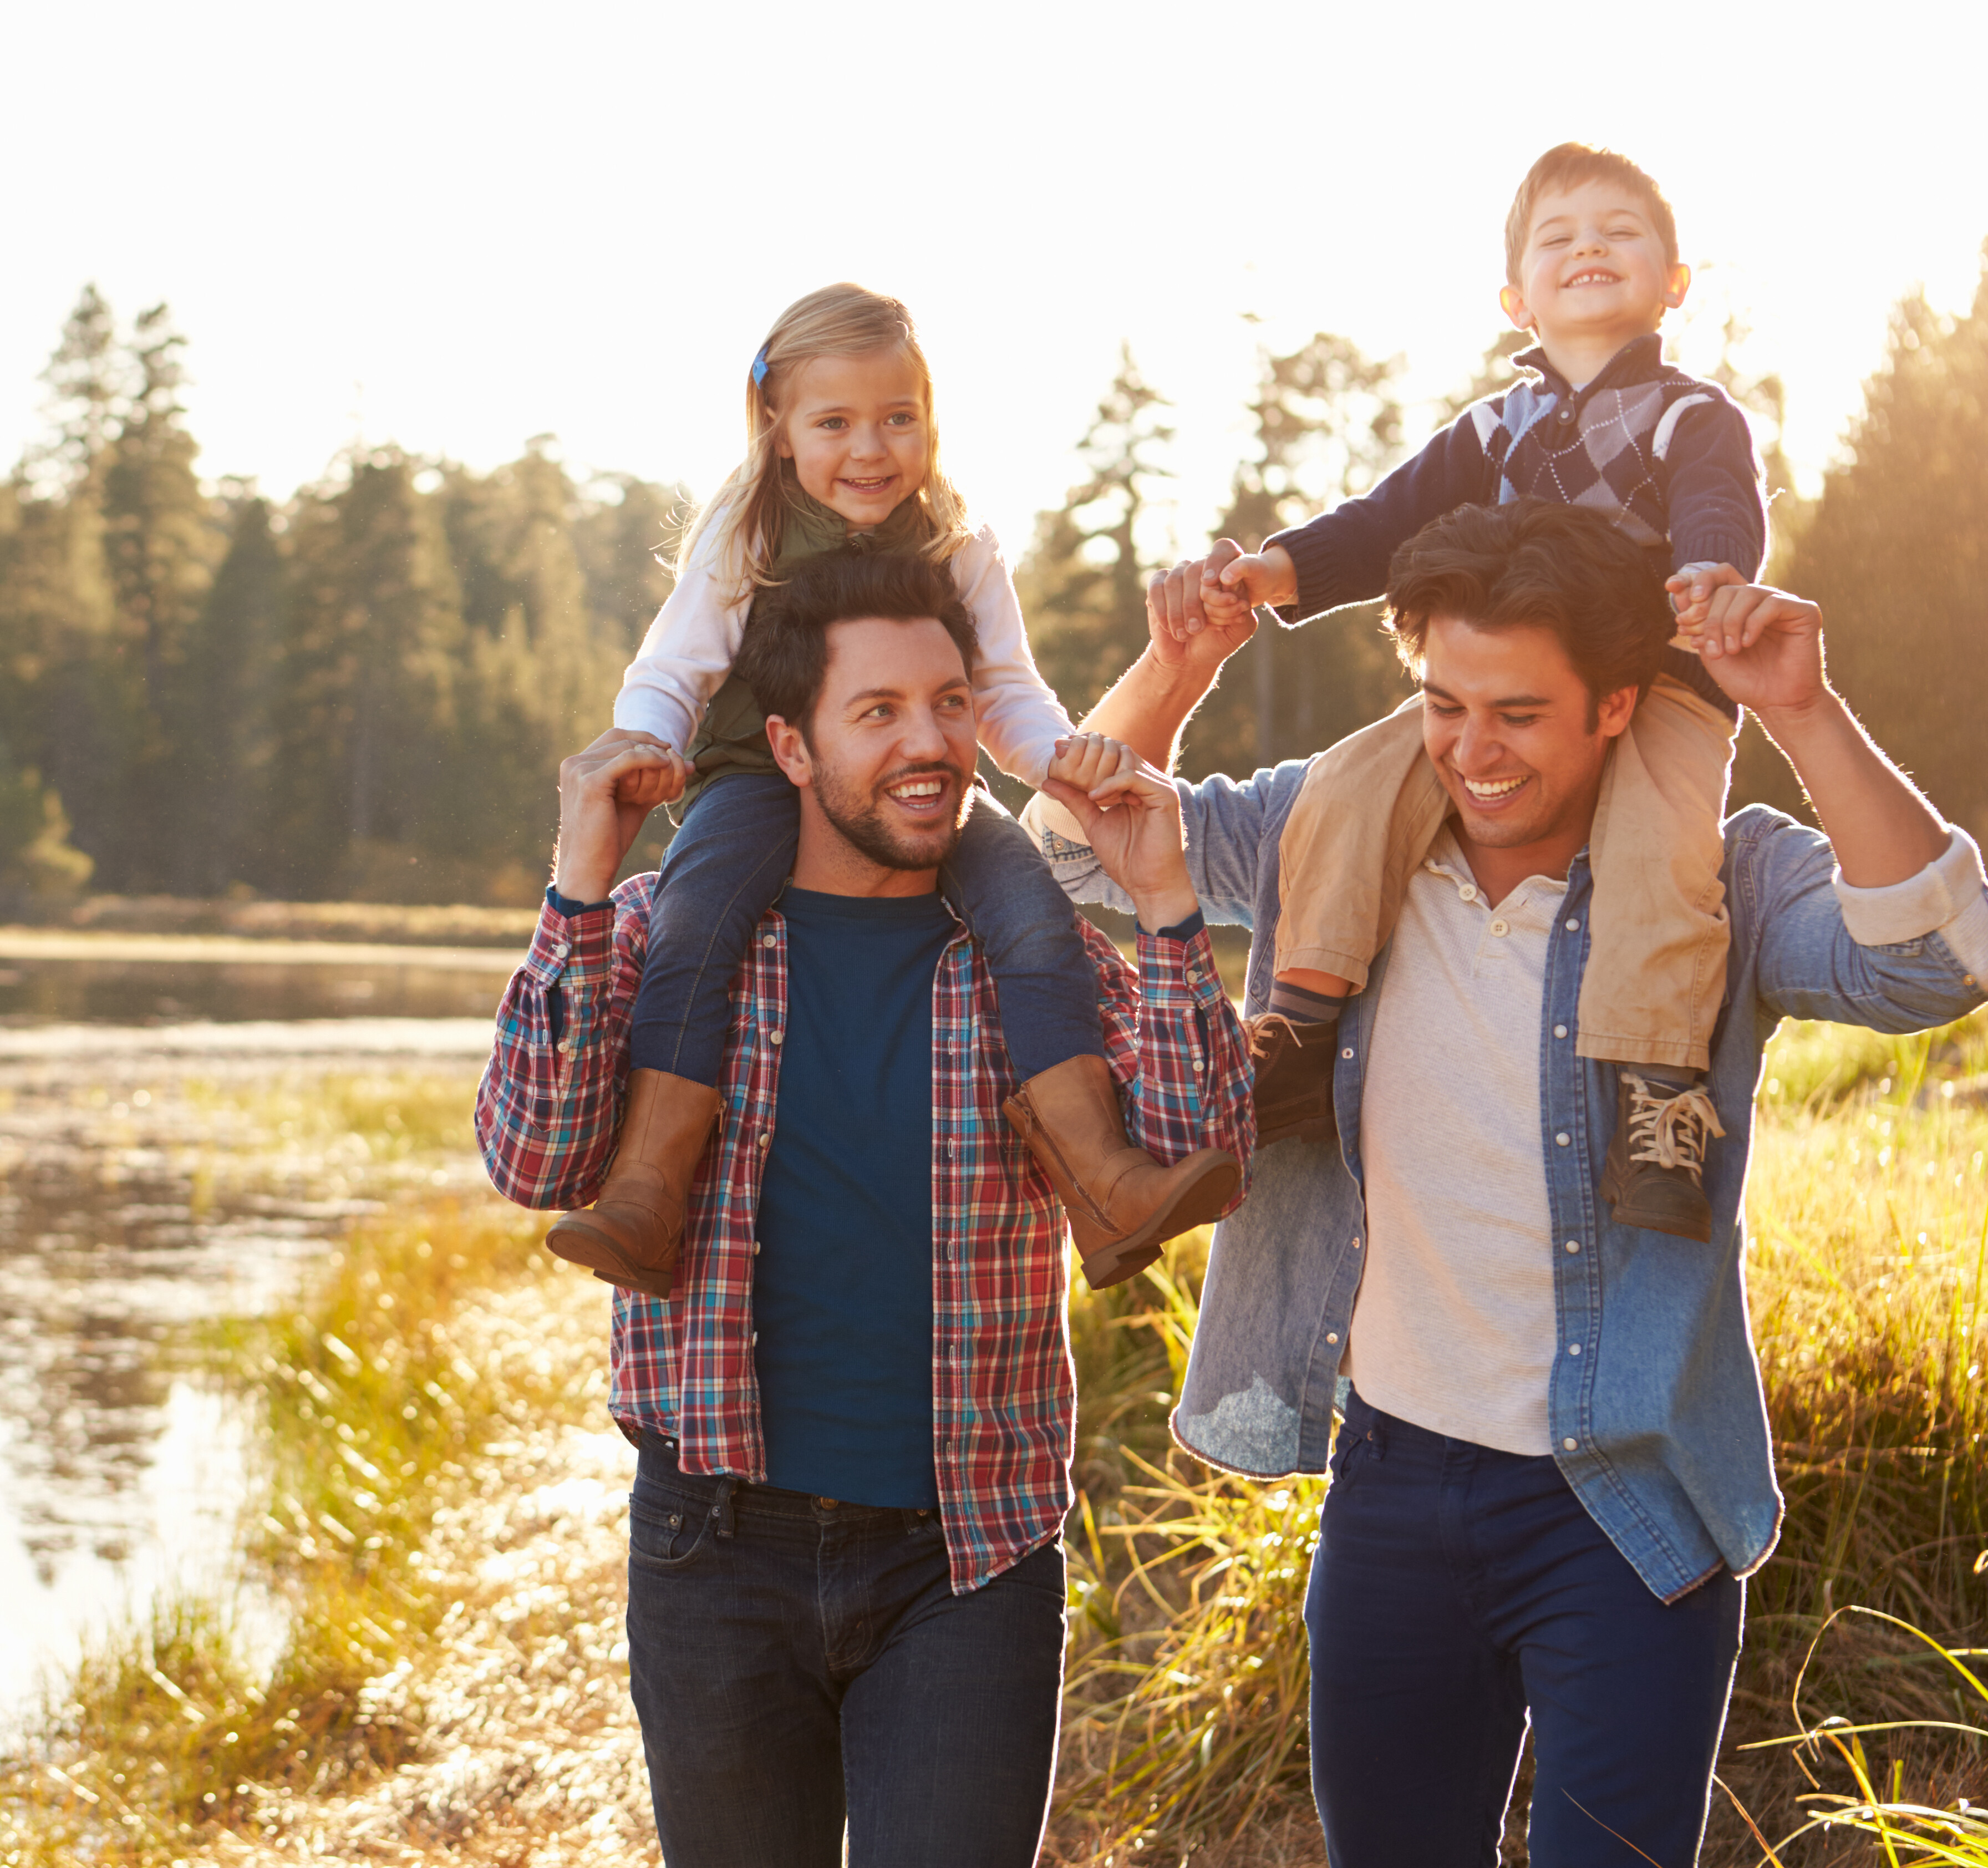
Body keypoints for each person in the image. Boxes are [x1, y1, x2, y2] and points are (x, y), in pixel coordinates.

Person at [1028, 499, 1988, 1864]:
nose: (1470, 752)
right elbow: (1077, 847)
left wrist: (1804, 710)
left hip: (1621, 1499)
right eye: (1441, 702)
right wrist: (1180, 663)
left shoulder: (1713, 876)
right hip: (1393, 1486)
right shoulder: (1329, 831)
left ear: (1613, 706)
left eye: (1518, 715)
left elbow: (1932, 965)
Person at [475, 550, 1254, 1867]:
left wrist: (1167, 899)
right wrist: (578, 887)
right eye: (878, 711)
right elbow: (535, 1161)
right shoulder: (682, 936)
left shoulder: (1030, 955)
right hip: (714, 1545)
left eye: (950, 705)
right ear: (788, 744)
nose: (931, 743)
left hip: (967, 1554)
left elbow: (1207, 1147)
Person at [548, 282, 1234, 1302]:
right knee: (694, 922)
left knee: (1031, 914)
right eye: (834, 423)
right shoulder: (744, 531)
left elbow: (1003, 689)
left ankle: (1105, 1176)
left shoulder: (957, 544)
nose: (870, 450)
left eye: (897, 420)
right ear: (777, 431)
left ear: (930, 422)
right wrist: (647, 741)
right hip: (749, 776)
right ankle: (648, 1189)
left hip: (922, 785)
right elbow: (674, 668)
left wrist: (1057, 759)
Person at [1151, 143, 1766, 1243]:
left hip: (1658, 679)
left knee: (1662, 845)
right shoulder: (1494, 428)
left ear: (1672, 281)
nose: (1587, 248)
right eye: (1556, 238)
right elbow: (1386, 521)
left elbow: (1720, 507)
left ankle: (1655, 1093)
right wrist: (1279, 569)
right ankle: (1298, 1025)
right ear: (1512, 295)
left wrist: (1711, 575)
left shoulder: (1688, 418)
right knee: (1342, 787)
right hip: (1492, 690)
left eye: (1619, 233)